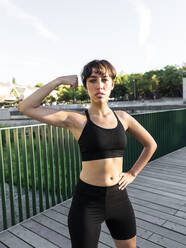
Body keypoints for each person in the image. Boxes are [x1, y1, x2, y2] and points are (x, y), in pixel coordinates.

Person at [17, 59, 157, 248]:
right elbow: (26, 107)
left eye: (104, 80)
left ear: (112, 84)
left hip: (119, 197)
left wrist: (133, 173)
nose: (99, 85)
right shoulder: (76, 120)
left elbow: (150, 144)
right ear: (86, 86)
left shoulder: (123, 118)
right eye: (92, 80)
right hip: (87, 202)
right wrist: (57, 81)